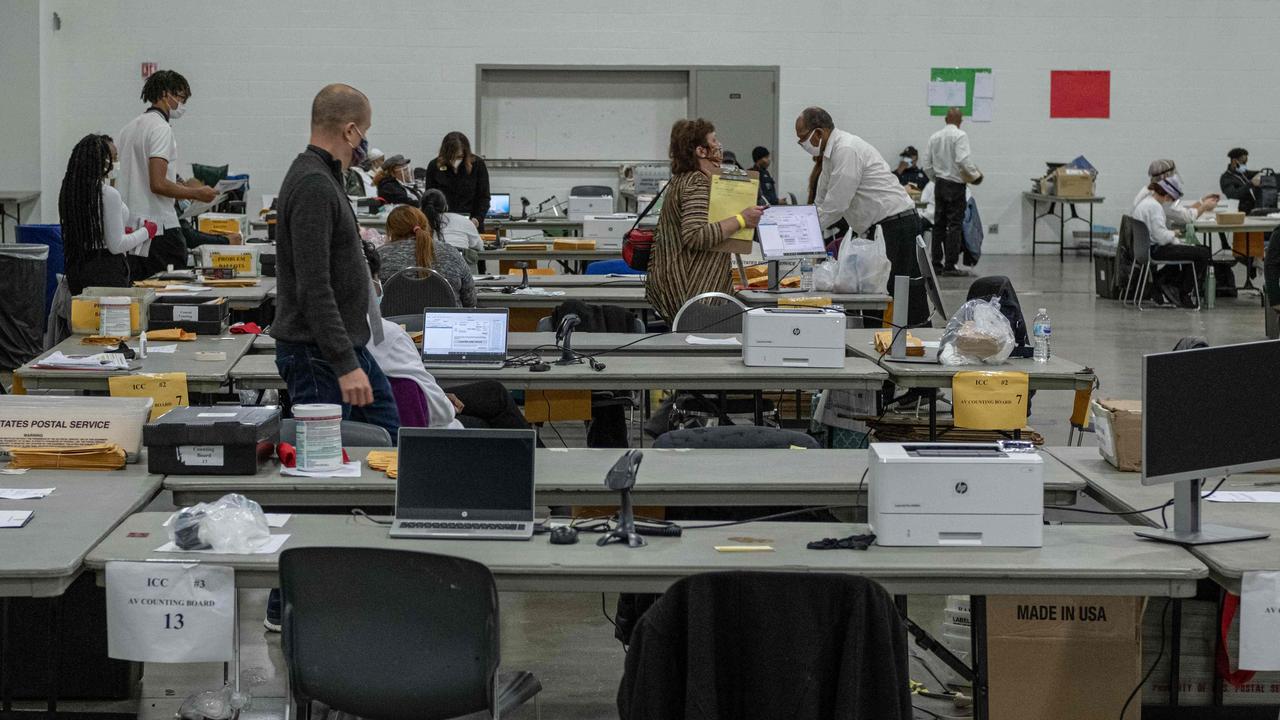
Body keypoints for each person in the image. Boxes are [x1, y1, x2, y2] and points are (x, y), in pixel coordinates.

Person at [273, 82, 400, 439]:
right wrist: (344, 364)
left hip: (342, 345)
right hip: (319, 354)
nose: (366, 142)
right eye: (366, 132)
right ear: (350, 130)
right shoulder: (314, 183)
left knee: (388, 436)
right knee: (322, 466)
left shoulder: (326, 177)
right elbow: (313, 286)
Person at [361, 241, 534, 430]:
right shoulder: (384, 334)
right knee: (488, 416)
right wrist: (444, 402)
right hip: (414, 433)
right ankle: (536, 456)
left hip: (370, 420)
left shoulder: (330, 330)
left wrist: (439, 396)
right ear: (372, 286)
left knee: (493, 392)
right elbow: (437, 412)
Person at [796, 106, 928, 326]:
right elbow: (820, 202)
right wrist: (803, 228)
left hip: (896, 226)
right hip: (877, 229)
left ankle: (906, 340)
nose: (802, 144)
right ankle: (875, 338)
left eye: (803, 139)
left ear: (818, 133)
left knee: (895, 292)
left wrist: (800, 234)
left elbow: (836, 205)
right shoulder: (830, 156)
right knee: (871, 289)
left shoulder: (846, 150)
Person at [644, 118, 763, 322]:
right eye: (714, 140)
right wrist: (742, 220)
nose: (718, 145)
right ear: (701, 150)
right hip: (692, 288)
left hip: (685, 284)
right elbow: (695, 235)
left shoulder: (685, 178)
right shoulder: (697, 182)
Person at [115, 69, 217, 277]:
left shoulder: (128, 128)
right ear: (164, 94)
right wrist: (197, 194)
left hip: (130, 228)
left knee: (140, 288)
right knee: (172, 291)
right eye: (180, 98)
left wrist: (184, 185)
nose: (182, 105)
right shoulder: (161, 128)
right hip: (158, 226)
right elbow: (158, 183)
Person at [58, 134, 159, 295]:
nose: (116, 163)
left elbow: (97, 230)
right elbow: (116, 245)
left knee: (83, 319)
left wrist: (121, 232)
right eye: (114, 158)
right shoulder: (107, 194)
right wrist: (146, 231)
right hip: (106, 271)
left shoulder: (70, 192)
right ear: (103, 162)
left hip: (77, 268)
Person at [376, 197, 476, 307]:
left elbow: (369, 300)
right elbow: (470, 301)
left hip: (395, 323)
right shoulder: (451, 253)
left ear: (390, 231)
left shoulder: (379, 257)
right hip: (445, 322)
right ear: (425, 225)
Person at [921, 108, 982, 275]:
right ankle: (950, 265)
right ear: (960, 121)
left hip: (940, 184)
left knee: (938, 225)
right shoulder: (960, 136)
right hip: (956, 185)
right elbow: (963, 160)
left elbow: (926, 164)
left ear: (945, 119)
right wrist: (975, 176)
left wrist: (936, 179)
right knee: (954, 225)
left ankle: (936, 263)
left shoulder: (934, 137)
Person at [1132, 176, 1208, 308]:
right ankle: (1183, 292)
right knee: (1203, 253)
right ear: (1166, 196)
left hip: (1144, 249)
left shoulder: (1145, 202)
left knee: (1190, 251)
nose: (1170, 203)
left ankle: (1162, 280)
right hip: (1155, 250)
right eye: (1171, 200)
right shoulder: (1155, 207)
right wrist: (1174, 234)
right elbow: (1161, 238)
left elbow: (1156, 232)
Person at [423, 132, 491, 231]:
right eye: (452, 157)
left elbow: (484, 197)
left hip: (472, 223)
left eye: (459, 157)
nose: (455, 160)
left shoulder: (478, 165)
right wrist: (434, 220)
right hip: (443, 223)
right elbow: (429, 198)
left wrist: (477, 219)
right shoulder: (434, 166)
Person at [1132, 159, 1218, 224]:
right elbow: (1188, 217)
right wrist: (1205, 206)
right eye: (1173, 174)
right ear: (1166, 176)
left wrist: (1201, 202)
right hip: (1157, 245)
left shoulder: (1148, 191)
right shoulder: (1160, 197)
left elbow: (1178, 212)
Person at [1221, 148, 1262, 214]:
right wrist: (1250, 184)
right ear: (1234, 161)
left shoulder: (1243, 174)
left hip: (1253, 210)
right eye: (1243, 162)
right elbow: (1233, 195)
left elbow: (1256, 172)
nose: (1245, 165)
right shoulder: (1226, 178)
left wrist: (1262, 173)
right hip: (1240, 213)